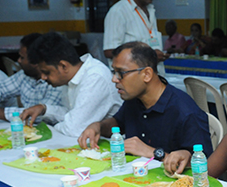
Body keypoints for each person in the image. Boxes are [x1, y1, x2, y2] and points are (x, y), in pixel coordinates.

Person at [78, 41, 212, 171]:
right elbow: (118, 122)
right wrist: (98, 126)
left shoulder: (185, 112)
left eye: (121, 73)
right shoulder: (135, 99)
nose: (114, 79)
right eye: (113, 72)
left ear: (147, 74)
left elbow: (205, 168)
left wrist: (153, 153)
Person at [20, 33, 122, 137]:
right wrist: (44, 109)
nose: (43, 77)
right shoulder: (72, 76)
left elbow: (75, 129)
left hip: (113, 144)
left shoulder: (95, 77)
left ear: (63, 66)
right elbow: (72, 114)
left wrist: (49, 129)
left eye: (46, 72)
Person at [0, 33, 64, 122]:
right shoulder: (24, 75)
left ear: (35, 61)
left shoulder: (57, 81)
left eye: (22, 57)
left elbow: (41, 116)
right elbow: (0, 88)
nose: (19, 61)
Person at [103, 0, 168, 74]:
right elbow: (110, 51)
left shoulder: (150, 10)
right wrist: (150, 55)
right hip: (131, 80)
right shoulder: (118, 11)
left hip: (154, 77)